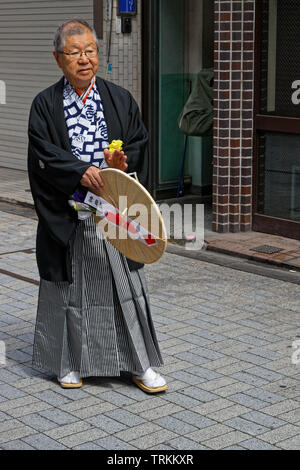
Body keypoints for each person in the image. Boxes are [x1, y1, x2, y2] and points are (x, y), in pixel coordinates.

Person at [27, 19, 167, 393]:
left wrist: (122, 166)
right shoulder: (44, 104)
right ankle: (68, 363)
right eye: (74, 53)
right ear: (58, 59)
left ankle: (139, 364)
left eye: (90, 50)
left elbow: (138, 140)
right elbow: (44, 154)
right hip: (71, 210)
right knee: (70, 293)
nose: (84, 59)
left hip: (114, 210)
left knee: (126, 288)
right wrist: (79, 170)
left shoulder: (119, 97)